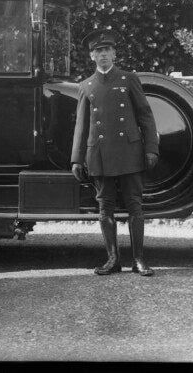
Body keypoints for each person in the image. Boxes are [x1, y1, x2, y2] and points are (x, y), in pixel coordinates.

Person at [70, 29, 160, 276]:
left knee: (135, 206)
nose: (104, 55)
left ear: (114, 53)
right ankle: (112, 260)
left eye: (108, 50)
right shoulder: (86, 86)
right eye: (99, 51)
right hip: (99, 153)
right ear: (92, 56)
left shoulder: (128, 79)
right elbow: (82, 125)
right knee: (104, 208)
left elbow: (145, 115)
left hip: (130, 152)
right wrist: (76, 158)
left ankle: (139, 260)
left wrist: (151, 148)